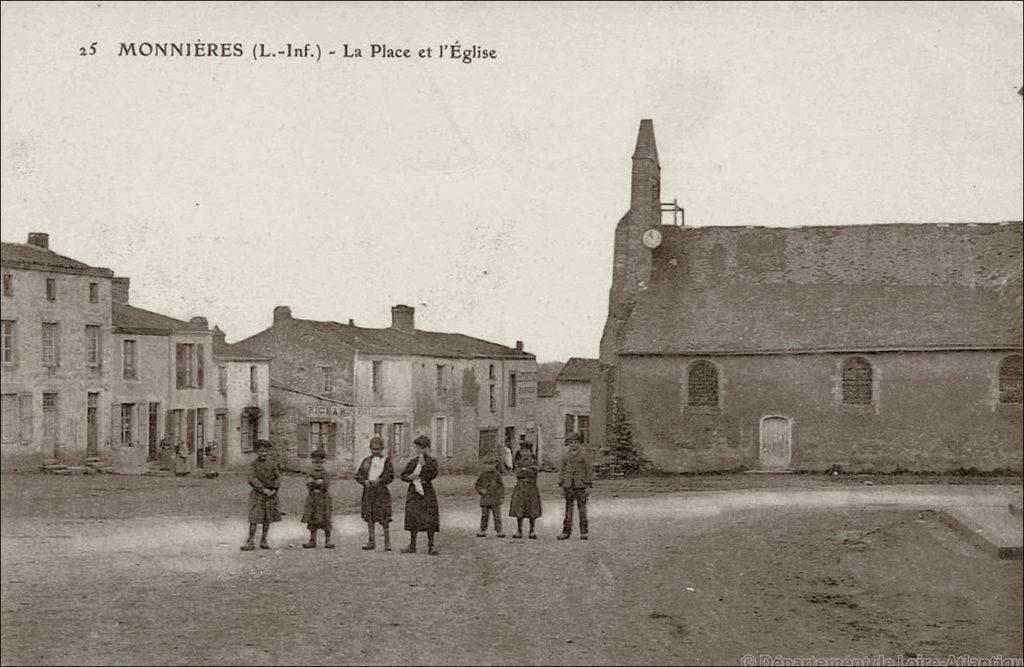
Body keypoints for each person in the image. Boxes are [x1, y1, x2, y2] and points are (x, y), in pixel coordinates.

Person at [400, 435, 440, 555]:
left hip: (427, 490)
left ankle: (431, 545)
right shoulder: (413, 462)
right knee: (413, 516)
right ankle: (412, 545)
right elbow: (403, 475)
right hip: (414, 492)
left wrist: (425, 466)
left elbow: (433, 474)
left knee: (430, 517)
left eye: (422, 448)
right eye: (417, 448)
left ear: (427, 448)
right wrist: (409, 477)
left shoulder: (432, 462)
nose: (419, 450)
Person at [355, 436, 394, 551]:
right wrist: (364, 482)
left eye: (378, 449)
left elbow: (390, 476)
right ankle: (371, 540)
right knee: (370, 516)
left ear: (382, 449)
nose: (375, 452)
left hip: (381, 492)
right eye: (373, 449)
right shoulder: (366, 461)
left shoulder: (386, 461)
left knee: (384, 517)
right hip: (369, 492)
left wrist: (381, 480)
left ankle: (387, 542)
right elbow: (359, 475)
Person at [241, 439, 281, 551]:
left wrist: (274, 489)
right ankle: (251, 541)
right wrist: (263, 489)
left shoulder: (272, 464)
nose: (263, 454)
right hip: (258, 495)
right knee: (254, 518)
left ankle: (264, 540)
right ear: (257, 452)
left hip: (271, 495)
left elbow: (277, 477)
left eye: (265, 451)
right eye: (261, 451)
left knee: (267, 518)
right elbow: (251, 478)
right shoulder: (253, 465)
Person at [557, 431, 592, 541]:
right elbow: (562, 470)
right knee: (568, 510)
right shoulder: (565, 455)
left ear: (580, 443)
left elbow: (588, 470)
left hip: (581, 485)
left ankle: (584, 532)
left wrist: (588, 485)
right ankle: (566, 532)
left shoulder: (584, 455)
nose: (573, 444)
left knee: (582, 509)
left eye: (576, 442)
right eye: (571, 442)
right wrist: (561, 485)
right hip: (569, 485)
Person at [301, 449, 334, 549]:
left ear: (323, 462)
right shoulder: (310, 472)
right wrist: (313, 482)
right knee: (312, 519)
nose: (317, 465)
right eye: (315, 462)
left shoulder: (325, 472)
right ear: (312, 462)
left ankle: (328, 541)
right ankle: (312, 540)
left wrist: (321, 483)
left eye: (320, 462)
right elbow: (308, 483)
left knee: (326, 519)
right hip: (313, 498)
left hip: (323, 498)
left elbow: (326, 484)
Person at [509, 441, 542, 539]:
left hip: (531, 488)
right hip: (520, 488)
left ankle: (532, 531)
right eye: (523, 451)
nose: (525, 453)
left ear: (531, 452)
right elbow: (518, 473)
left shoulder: (534, 462)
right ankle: (519, 530)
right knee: (519, 509)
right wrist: (525, 470)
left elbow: (534, 472)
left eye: (527, 451)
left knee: (532, 509)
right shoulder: (518, 462)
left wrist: (525, 470)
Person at [474, 455, 505, 538]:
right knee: (484, 515)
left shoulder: (497, 475)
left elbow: (501, 487)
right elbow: (477, 485)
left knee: (497, 515)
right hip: (485, 498)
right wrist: (481, 490)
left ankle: (499, 530)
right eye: (487, 464)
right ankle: (482, 530)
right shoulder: (482, 475)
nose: (489, 466)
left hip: (495, 498)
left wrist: (501, 497)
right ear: (484, 465)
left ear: (495, 465)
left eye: (491, 464)